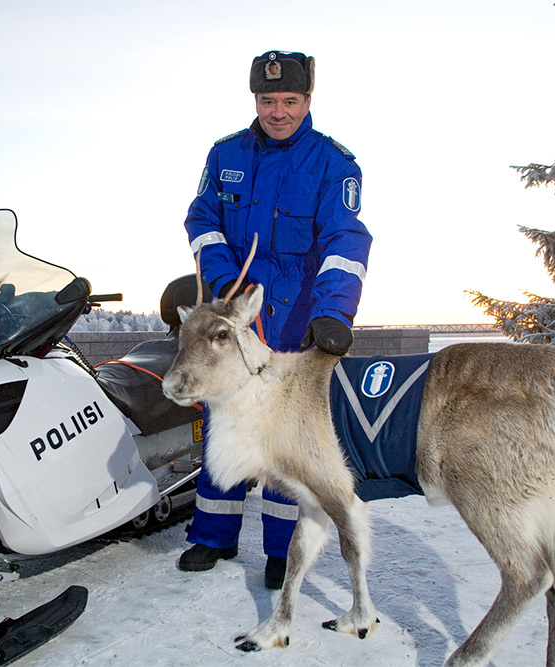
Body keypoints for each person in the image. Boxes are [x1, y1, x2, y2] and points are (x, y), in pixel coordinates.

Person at [178, 50, 373, 589]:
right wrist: (223, 282)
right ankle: (211, 536)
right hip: (232, 317)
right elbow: (201, 220)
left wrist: (334, 311)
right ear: (255, 101)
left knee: (286, 433)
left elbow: (345, 241)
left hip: (294, 322)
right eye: (268, 100)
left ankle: (279, 548)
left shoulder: (335, 164)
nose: (278, 111)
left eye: (290, 100)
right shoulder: (225, 155)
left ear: (308, 100)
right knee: (225, 417)